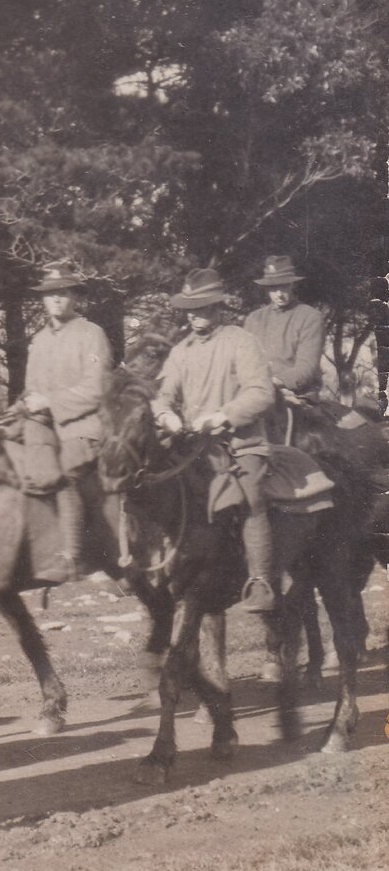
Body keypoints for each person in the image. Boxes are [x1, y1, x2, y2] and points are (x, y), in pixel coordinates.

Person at [151, 268, 279, 613]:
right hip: (194, 448)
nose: (195, 316)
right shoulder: (181, 351)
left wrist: (223, 415)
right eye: (190, 309)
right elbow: (163, 395)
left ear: (218, 307)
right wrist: (167, 416)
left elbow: (261, 392)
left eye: (202, 308)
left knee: (251, 499)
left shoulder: (240, 341)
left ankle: (260, 581)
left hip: (241, 444)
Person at [18, 261, 111, 581]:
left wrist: (52, 402)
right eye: (50, 294)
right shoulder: (39, 340)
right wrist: (28, 403)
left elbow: (97, 388)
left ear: (75, 297)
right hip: (46, 424)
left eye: (63, 293)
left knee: (66, 474)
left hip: (84, 427)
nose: (56, 299)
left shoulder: (91, 334)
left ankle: (72, 557)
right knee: (25, 469)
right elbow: (32, 387)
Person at [242, 256, 327, 442]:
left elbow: (306, 367)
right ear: (266, 288)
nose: (279, 294)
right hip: (257, 395)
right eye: (273, 288)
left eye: (284, 286)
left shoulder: (310, 317)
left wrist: (274, 382)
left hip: (296, 396)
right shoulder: (253, 319)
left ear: (293, 285)